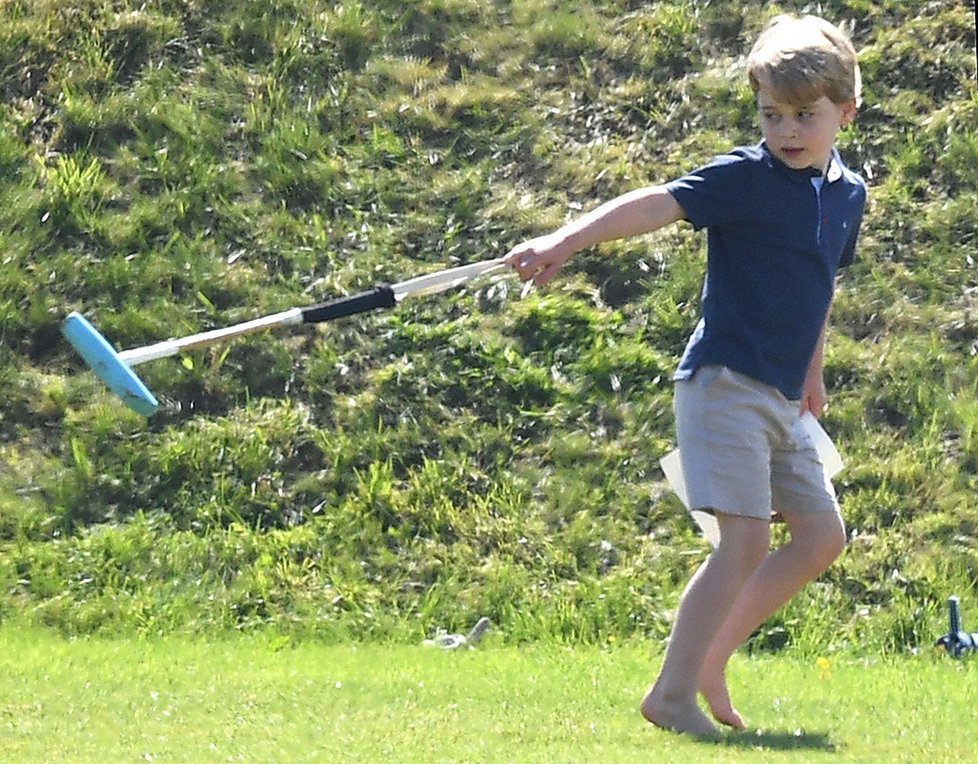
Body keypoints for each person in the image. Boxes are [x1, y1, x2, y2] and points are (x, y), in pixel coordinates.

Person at [505, 14, 867, 736]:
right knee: (744, 541)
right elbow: (657, 203)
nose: (788, 130)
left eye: (805, 116)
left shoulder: (848, 194)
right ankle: (670, 696)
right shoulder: (744, 177)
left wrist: (813, 375)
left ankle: (710, 659)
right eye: (772, 115)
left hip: (783, 395)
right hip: (724, 384)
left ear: (845, 114)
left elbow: (818, 288)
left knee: (822, 535)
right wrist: (565, 241)